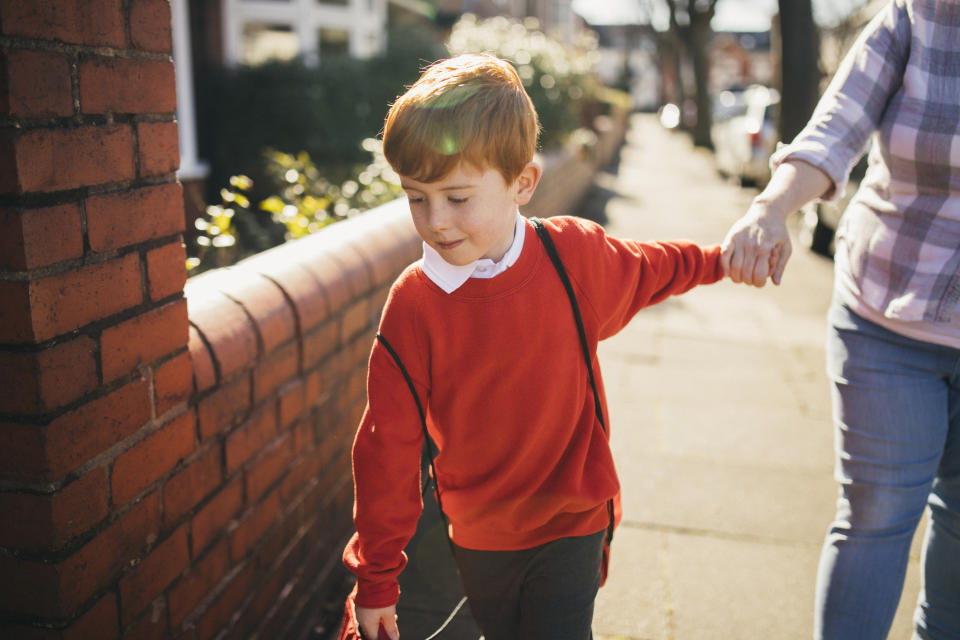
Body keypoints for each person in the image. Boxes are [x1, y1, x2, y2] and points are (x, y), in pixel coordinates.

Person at [341, 53, 728, 640]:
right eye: (416, 197)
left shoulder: (573, 257)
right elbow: (385, 452)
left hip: (574, 520)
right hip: (478, 533)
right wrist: (375, 580)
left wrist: (724, 261)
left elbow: (655, 266)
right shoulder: (414, 304)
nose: (435, 220)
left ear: (522, 183)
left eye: (458, 197)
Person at [721, 1, 960, 638]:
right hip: (889, 309)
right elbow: (836, 127)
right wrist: (772, 208)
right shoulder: (920, 17)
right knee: (877, 515)